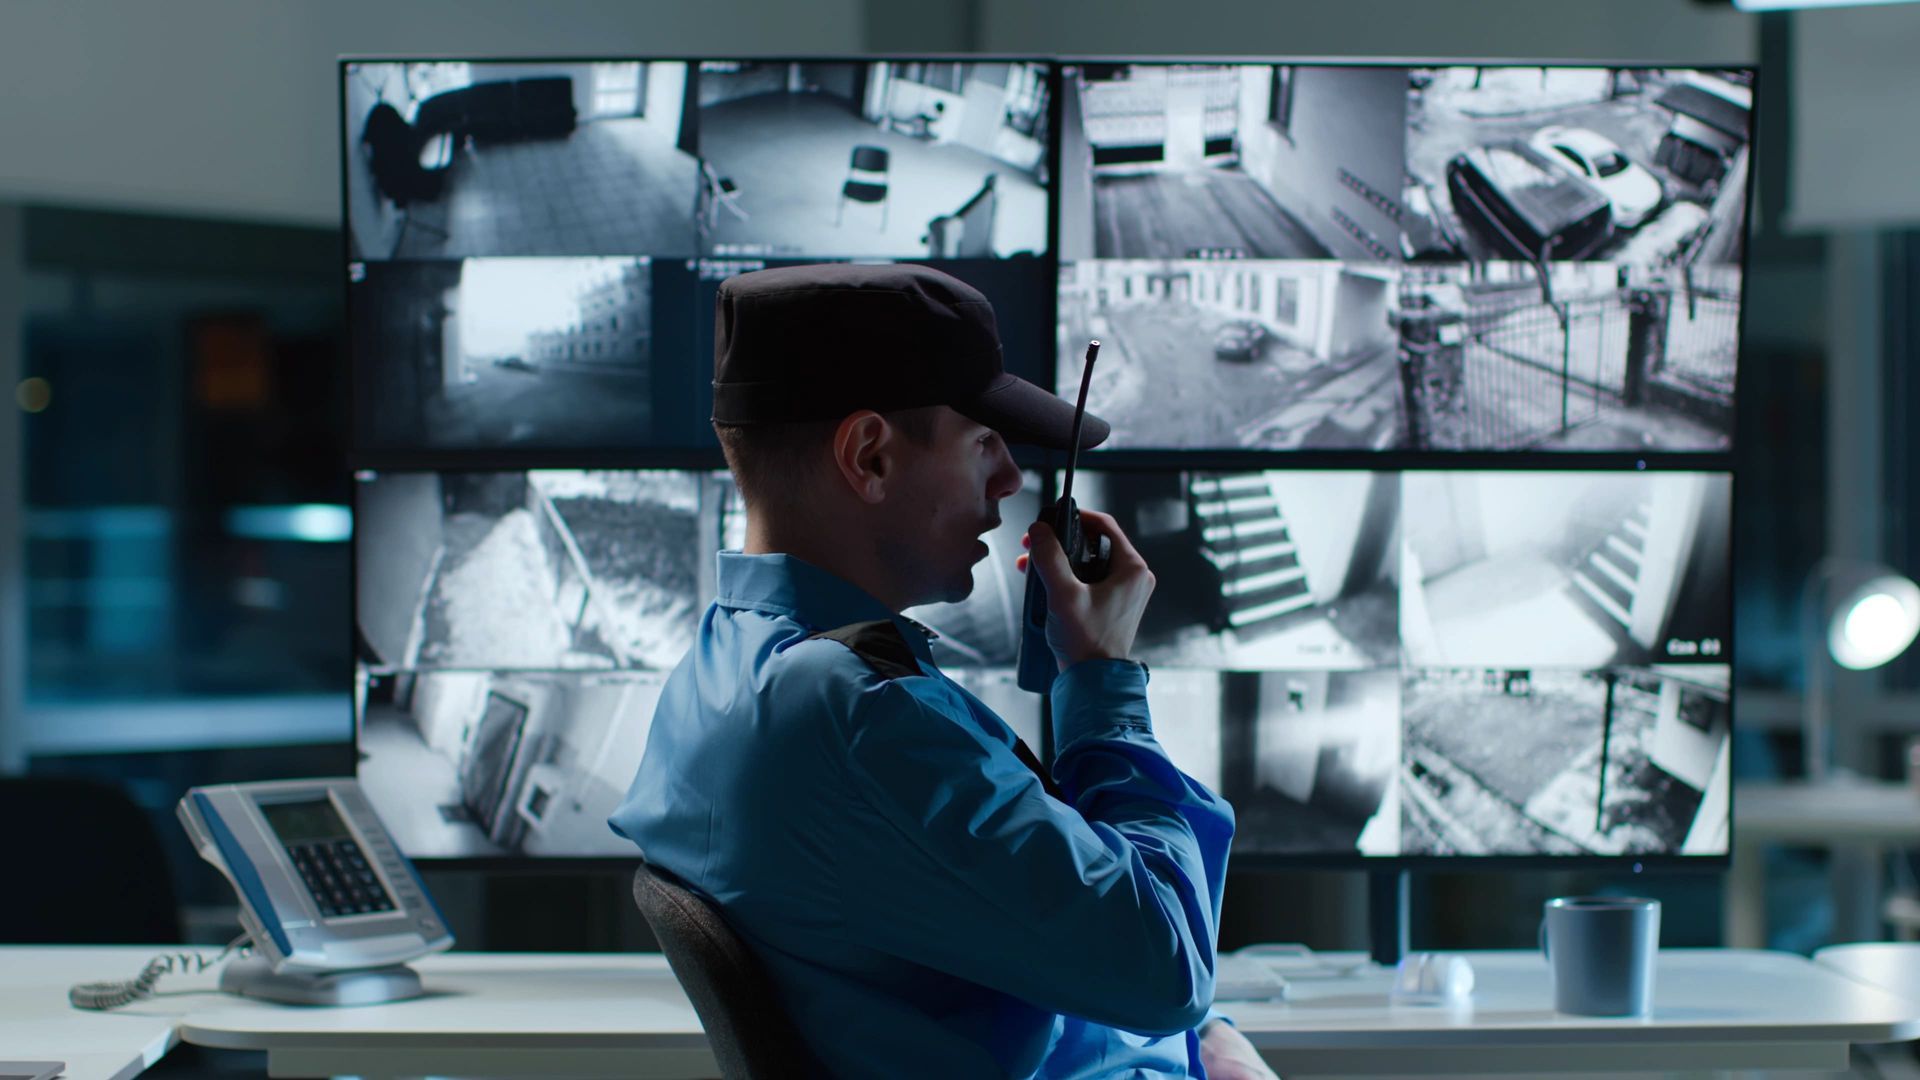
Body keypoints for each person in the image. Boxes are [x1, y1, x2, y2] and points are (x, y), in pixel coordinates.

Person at [609, 263, 1276, 1079]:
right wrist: (1101, 680)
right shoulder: (859, 717)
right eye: (983, 443)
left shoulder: (724, 663)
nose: (1010, 482)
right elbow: (1169, 972)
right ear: (871, 457)